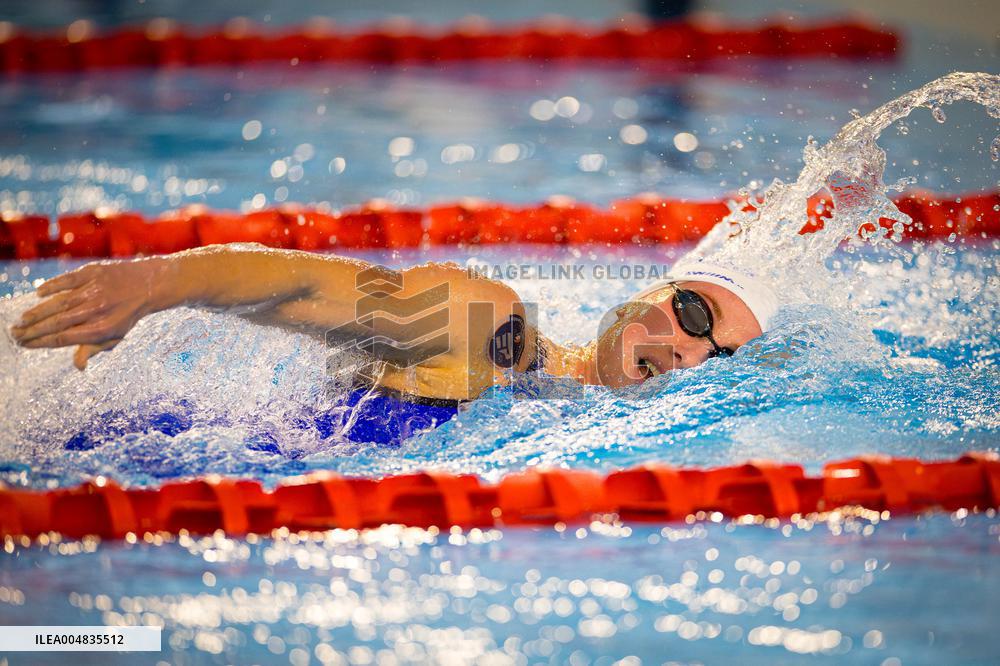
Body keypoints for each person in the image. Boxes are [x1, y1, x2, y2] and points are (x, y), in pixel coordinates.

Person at [9, 243, 777, 446]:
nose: (692, 353)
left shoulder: (555, 400)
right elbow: (308, 287)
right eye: (695, 314)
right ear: (647, 290)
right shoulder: (492, 329)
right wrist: (152, 287)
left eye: (724, 354)